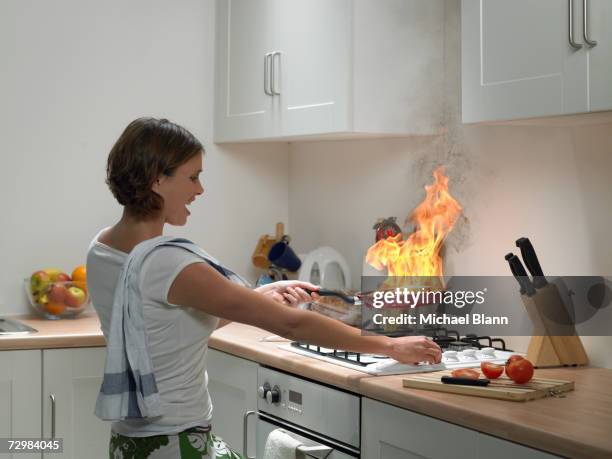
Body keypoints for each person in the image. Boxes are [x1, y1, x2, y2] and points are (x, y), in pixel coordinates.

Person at [87, 117, 442, 459]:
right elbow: (292, 325)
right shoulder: (166, 263)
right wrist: (388, 344)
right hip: (175, 443)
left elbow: (168, 326)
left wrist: (257, 298)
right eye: (192, 177)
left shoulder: (102, 249)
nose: (199, 189)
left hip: (131, 444)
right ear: (156, 180)